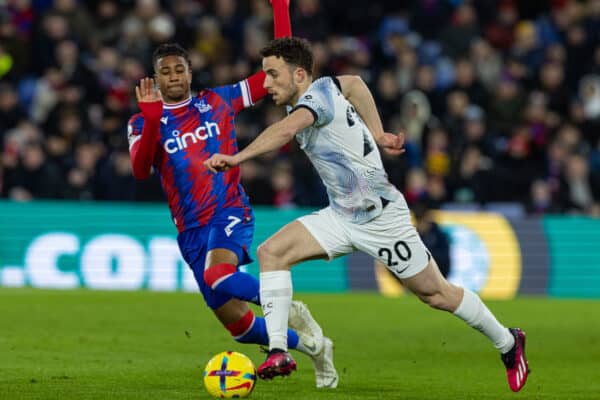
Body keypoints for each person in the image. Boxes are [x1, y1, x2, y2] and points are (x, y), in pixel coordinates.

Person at [204, 37, 530, 392]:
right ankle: (279, 350)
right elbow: (357, 85)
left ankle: (509, 342)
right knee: (271, 253)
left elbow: (285, 131)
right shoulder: (324, 88)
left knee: (436, 294)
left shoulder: (316, 98)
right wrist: (377, 133)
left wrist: (236, 158)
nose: (265, 83)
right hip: (341, 216)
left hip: (381, 219)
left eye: (271, 74)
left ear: (299, 75)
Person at [127, 2, 337, 389]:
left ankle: (289, 307)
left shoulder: (218, 101)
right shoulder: (143, 120)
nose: (173, 76)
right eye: (164, 72)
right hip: (191, 231)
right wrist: (154, 118)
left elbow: (279, 69)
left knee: (220, 274)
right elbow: (141, 170)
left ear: (190, 72)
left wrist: (279, 7)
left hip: (229, 210)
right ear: (155, 79)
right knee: (240, 327)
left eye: (179, 69)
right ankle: (314, 346)